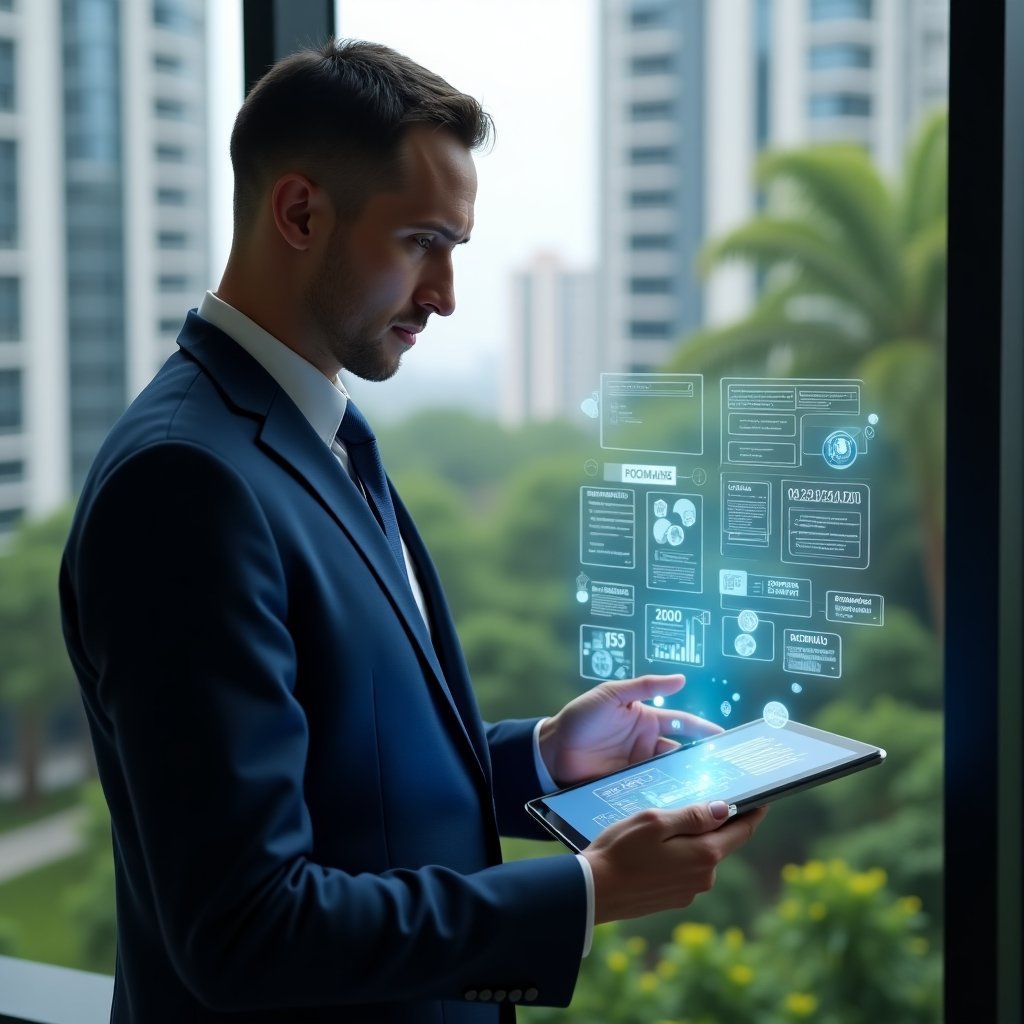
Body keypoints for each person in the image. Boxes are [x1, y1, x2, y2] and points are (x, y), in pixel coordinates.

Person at [59, 39, 766, 1023]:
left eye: (454, 248)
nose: (445, 294)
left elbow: (351, 767)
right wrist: (587, 890)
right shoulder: (184, 483)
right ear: (299, 213)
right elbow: (243, 928)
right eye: (420, 242)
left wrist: (544, 757)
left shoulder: (316, 434)